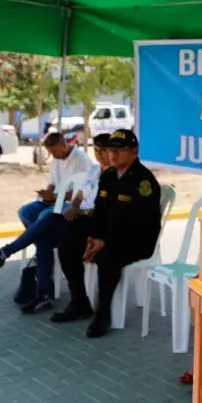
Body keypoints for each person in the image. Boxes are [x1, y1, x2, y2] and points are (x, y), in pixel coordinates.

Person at [51, 129, 163, 338]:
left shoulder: (143, 181)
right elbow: (100, 211)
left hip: (136, 239)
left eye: (119, 150)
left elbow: (139, 223)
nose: (113, 154)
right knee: (68, 243)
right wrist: (94, 236)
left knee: (107, 258)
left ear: (134, 151)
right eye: (110, 149)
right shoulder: (109, 175)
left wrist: (104, 240)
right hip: (107, 235)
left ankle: (103, 314)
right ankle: (80, 302)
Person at [0, 132, 93, 313]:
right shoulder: (56, 160)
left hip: (71, 207)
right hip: (55, 202)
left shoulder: (81, 161)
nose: (53, 156)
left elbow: (78, 195)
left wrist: (53, 197)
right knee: (26, 212)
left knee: (45, 219)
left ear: (63, 145)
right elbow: (52, 182)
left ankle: (5, 253)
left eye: (55, 152)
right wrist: (48, 193)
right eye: (50, 153)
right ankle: (41, 290)